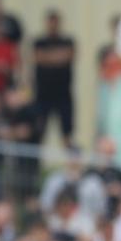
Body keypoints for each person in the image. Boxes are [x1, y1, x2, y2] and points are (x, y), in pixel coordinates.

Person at [33, 9, 75, 147]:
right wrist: (57, 57)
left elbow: (68, 55)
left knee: (67, 134)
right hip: (43, 94)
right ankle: (35, 166)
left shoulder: (68, 41)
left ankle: (72, 166)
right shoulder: (39, 42)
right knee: (39, 132)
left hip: (63, 94)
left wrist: (48, 57)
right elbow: (38, 57)